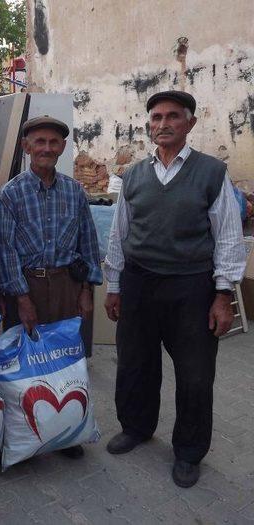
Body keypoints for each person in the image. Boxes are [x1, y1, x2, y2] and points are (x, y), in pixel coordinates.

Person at [104, 90, 246, 488]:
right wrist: (115, 286)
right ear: (149, 125)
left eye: (172, 117)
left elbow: (228, 239)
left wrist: (223, 296)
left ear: (190, 124)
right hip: (140, 282)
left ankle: (188, 451)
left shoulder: (210, 173)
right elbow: (120, 234)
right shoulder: (132, 175)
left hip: (191, 287)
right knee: (135, 363)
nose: (162, 124)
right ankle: (136, 426)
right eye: (155, 118)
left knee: (196, 374)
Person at [0, 115, 103, 460]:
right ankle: (27, 433)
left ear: (63, 148)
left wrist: (86, 289)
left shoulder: (74, 192)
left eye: (53, 142)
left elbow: (88, 241)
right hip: (28, 288)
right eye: (38, 142)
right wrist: (22, 300)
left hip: (67, 286)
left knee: (66, 363)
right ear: (26, 147)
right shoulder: (10, 195)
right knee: (25, 366)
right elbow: (5, 250)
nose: (46, 148)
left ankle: (66, 432)